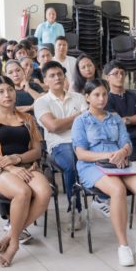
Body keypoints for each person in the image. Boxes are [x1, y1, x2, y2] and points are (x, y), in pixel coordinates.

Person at [71, 80, 136, 266]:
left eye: (104, 94)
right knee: (117, 190)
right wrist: (109, 155)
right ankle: (123, 246)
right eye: (96, 95)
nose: (102, 98)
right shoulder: (81, 121)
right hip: (92, 165)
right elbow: (81, 153)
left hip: (119, 162)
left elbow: (126, 143)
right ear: (87, 97)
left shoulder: (115, 118)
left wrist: (123, 152)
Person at [0, 77, 52, 267]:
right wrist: (10, 167)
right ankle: (15, 244)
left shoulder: (27, 119)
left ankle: (10, 235)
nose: (7, 95)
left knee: (45, 192)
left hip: (26, 165)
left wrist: (17, 159)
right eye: (0, 91)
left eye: (10, 90)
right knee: (22, 192)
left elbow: (37, 151)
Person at [35, 61, 87, 218]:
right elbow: (53, 127)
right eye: (52, 75)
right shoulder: (41, 102)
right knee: (71, 164)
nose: (57, 78)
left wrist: (62, 123)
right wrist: (78, 116)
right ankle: (75, 210)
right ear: (45, 81)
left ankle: (101, 199)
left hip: (82, 142)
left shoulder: (78, 97)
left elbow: (87, 123)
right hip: (59, 145)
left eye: (60, 74)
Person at [102, 61, 136, 165]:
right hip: (126, 140)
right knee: (135, 161)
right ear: (108, 77)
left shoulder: (135, 94)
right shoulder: (106, 99)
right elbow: (117, 122)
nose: (120, 76)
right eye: (116, 73)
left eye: (122, 73)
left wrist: (126, 120)